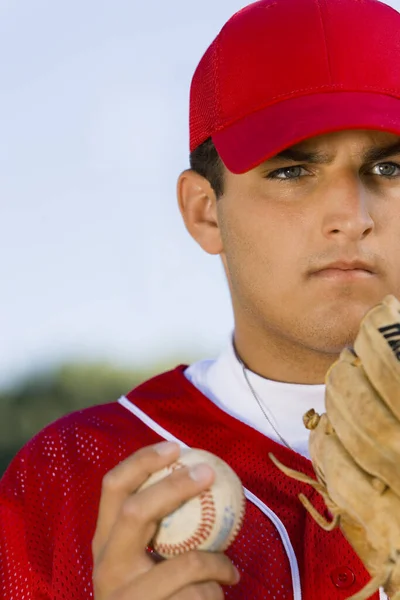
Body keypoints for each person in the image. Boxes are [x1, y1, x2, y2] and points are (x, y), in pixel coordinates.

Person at [2, 0, 400, 598]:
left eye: (390, 167)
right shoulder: (68, 473)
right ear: (204, 211)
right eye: (291, 172)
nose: (351, 215)